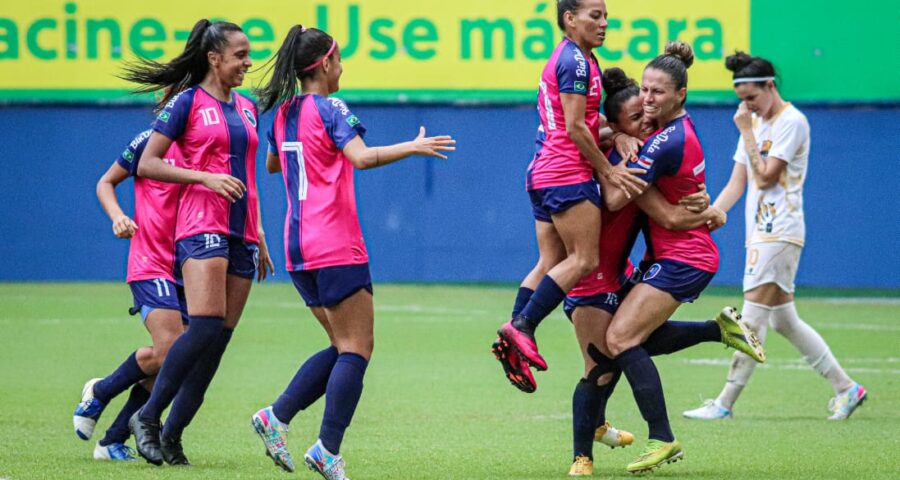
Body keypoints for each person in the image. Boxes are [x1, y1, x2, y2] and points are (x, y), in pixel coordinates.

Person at [248, 26, 454, 479]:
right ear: (324, 64)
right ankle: (326, 449)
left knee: (342, 346)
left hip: (298, 247)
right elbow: (360, 157)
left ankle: (275, 418)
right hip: (335, 242)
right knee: (357, 348)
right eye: (339, 60)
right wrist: (414, 147)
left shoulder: (283, 114)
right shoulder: (331, 107)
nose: (342, 68)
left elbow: (273, 163)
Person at [563, 68, 764, 476]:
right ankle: (716, 331)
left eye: (655, 97)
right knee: (625, 345)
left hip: (682, 258)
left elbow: (633, 204)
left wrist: (708, 211)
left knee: (617, 342)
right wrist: (618, 141)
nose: (648, 107)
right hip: (647, 262)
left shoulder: (663, 142)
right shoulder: (639, 139)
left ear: (680, 95)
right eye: (642, 101)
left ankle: (659, 437)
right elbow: (586, 126)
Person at [120, 19, 275, 466]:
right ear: (214, 59)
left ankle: (173, 435)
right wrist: (203, 176)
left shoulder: (248, 107)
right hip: (199, 223)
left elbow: (247, 175)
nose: (248, 62)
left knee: (219, 340)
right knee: (204, 327)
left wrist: (259, 232)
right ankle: (146, 418)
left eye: (249, 54)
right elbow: (148, 164)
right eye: (240, 55)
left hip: (242, 231)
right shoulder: (186, 102)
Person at [683, 52, 867, 421]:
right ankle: (847, 388)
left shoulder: (791, 121)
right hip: (760, 232)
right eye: (742, 99)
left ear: (770, 86)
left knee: (750, 321)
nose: (747, 106)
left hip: (780, 230)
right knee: (784, 320)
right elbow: (740, 180)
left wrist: (747, 132)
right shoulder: (753, 121)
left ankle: (724, 403)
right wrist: (710, 216)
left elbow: (765, 176)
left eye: (752, 97)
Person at [494, 0, 645, 387]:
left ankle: (513, 333)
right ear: (570, 18)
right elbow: (577, 129)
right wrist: (608, 168)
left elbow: (578, 127)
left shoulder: (580, 60)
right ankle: (523, 326)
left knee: (550, 260)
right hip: (566, 173)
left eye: (606, 15)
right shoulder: (576, 62)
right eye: (595, 15)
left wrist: (619, 134)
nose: (604, 23)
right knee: (584, 259)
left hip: (544, 170)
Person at [73, 130, 189, 462]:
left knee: (177, 362)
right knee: (171, 349)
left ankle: (111, 441)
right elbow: (105, 182)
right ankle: (102, 390)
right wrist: (118, 217)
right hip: (151, 260)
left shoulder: (208, 140)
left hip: (192, 265)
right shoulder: (149, 141)